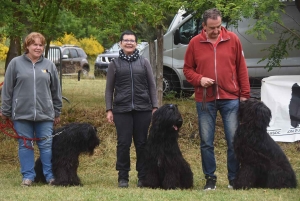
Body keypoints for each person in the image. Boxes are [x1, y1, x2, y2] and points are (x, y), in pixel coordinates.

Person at [183, 8, 250, 190]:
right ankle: (210, 179)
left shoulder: (233, 40)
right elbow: (187, 69)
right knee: (206, 141)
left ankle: (234, 179)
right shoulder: (194, 43)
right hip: (205, 100)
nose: (216, 30)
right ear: (204, 26)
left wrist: (245, 95)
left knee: (233, 140)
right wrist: (200, 79)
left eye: (218, 26)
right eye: (212, 27)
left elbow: (241, 69)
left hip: (230, 99)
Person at [1, 32, 62, 187]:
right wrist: (5, 110)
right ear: (27, 46)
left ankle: (49, 176)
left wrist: (57, 111)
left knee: (46, 146)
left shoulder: (49, 65)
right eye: (34, 44)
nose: (38, 47)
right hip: (21, 113)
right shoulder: (15, 63)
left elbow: (56, 91)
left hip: (45, 114)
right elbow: (7, 89)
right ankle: (28, 176)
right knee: (25, 145)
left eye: (41, 45)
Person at [105, 30, 158, 188]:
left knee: (142, 143)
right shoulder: (114, 64)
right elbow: (109, 89)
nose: (129, 43)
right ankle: (123, 177)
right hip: (121, 110)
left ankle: (142, 176)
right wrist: (109, 109)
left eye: (132, 40)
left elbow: (152, 86)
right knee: (123, 143)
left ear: (136, 43)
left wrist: (154, 107)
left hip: (143, 109)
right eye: (126, 40)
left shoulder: (144, 62)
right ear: (120, 43)